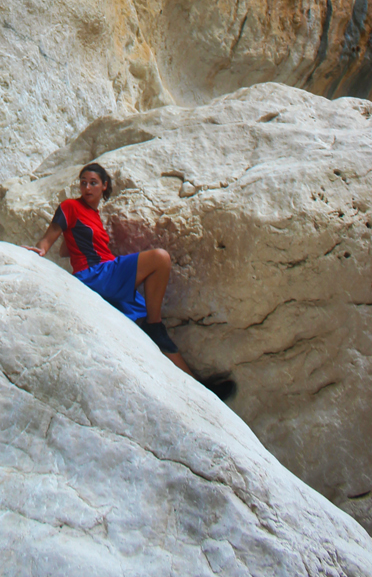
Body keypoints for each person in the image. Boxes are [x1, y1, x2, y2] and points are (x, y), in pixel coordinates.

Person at [28, 162, 235, 401]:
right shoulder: (69, 206)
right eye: (83, 182)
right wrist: (40, 251)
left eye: (93, 183)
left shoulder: (95, 216)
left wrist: (75, 244)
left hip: (106, 278)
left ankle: (204, 392)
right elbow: (51, 234)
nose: (87, 187)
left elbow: (68, 248)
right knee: (160, 258)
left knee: (154, 333)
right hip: (95, 275)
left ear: (104, 186)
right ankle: (154, 322)